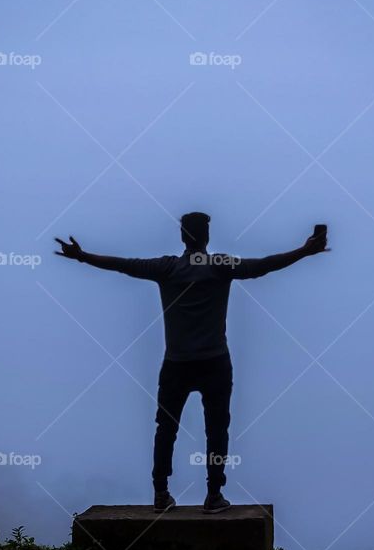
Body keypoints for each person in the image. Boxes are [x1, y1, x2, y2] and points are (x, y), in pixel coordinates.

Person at [55, 213, 328, 513]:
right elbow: (263, 265)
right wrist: (304, 251)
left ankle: (161, 493)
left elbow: (123, 264)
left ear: (183, 236)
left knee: (166, 429)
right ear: (206, 237)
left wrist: (82, 256)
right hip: (215, 362)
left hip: (176, 364)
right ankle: (214, 495)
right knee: (217, 430)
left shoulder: (167, 268)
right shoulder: (220, 265)